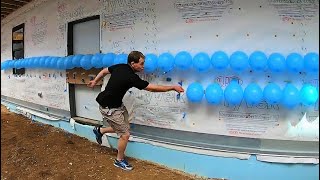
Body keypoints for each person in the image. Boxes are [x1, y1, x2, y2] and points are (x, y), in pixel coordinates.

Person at [87, 51, 184, 171]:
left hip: (117, 105)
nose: (143, 66)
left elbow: (104, 71)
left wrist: (95, 81)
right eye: (141, 64)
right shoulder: (131, 77)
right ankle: (119, 160)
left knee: (125, 127)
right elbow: (152, 89)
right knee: (125, 134)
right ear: (133, 63)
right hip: (108, 107)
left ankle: (100, 130)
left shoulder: (120, 66)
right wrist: (172, 87)